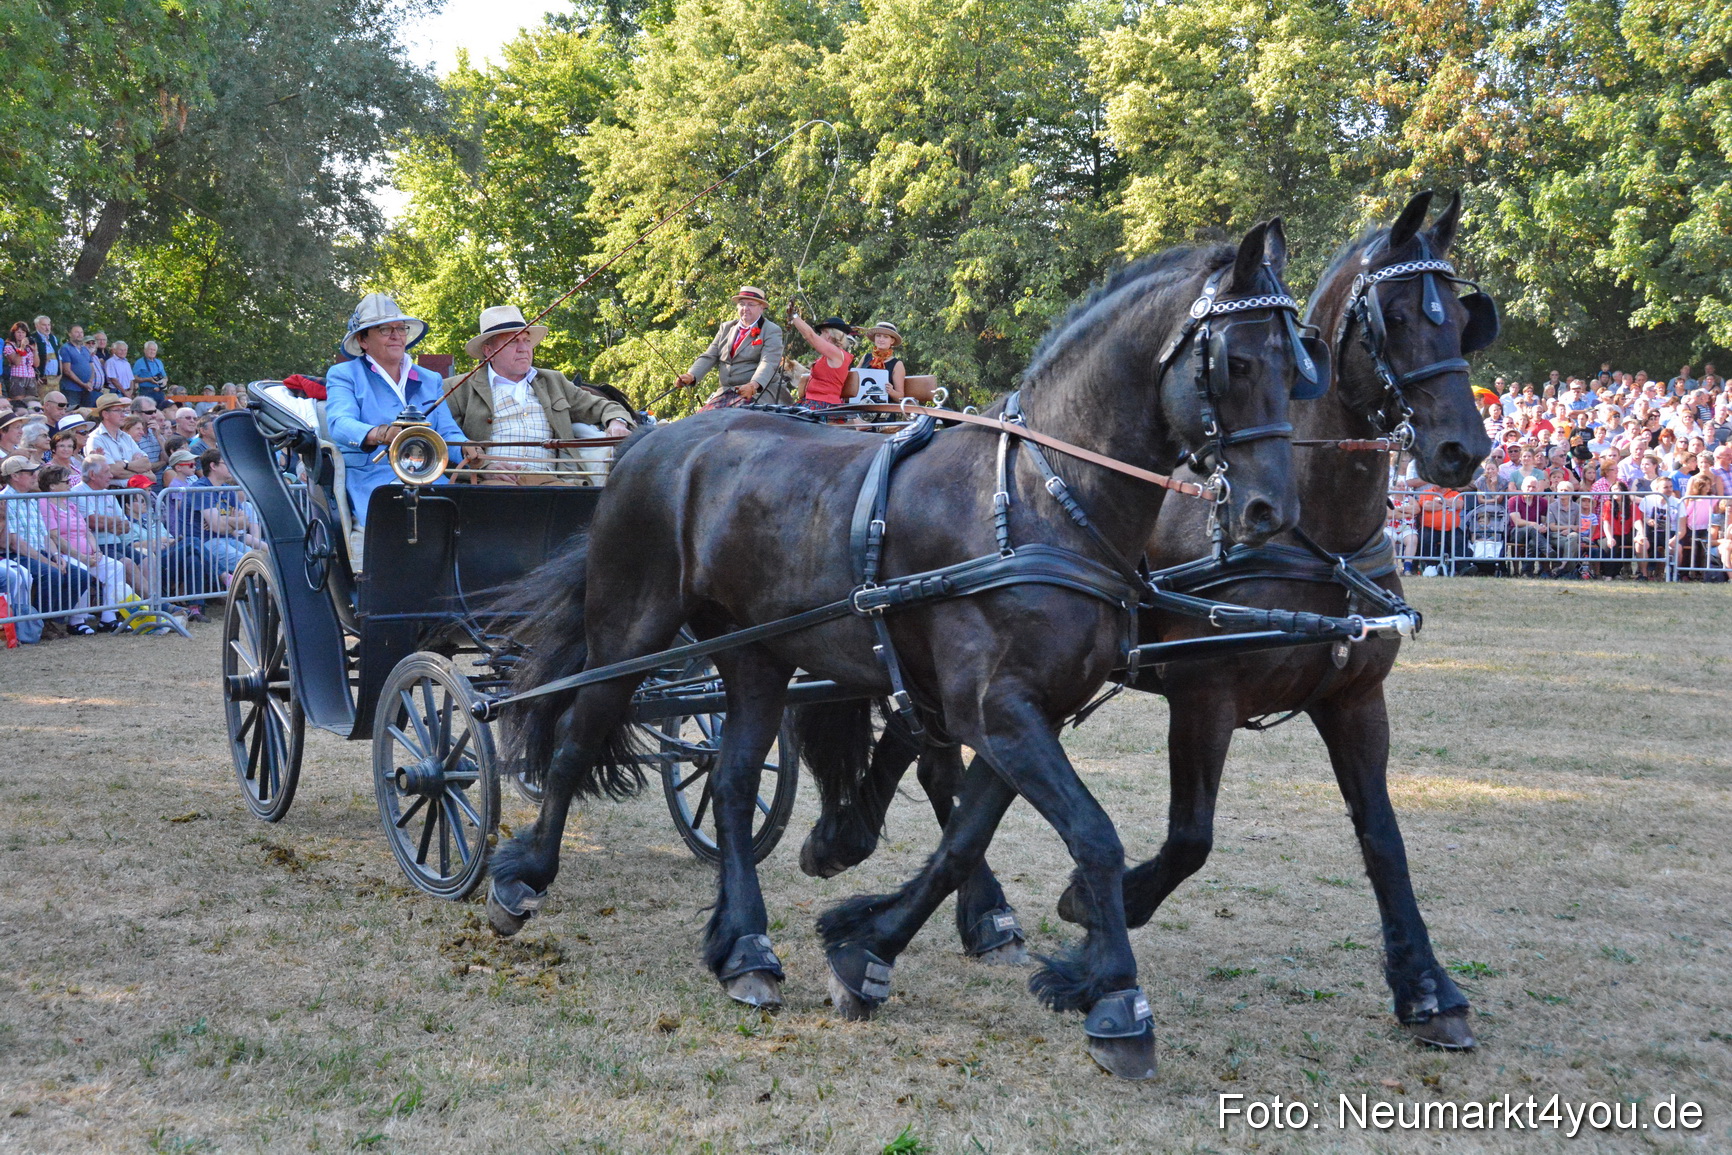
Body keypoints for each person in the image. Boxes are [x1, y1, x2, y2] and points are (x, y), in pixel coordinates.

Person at [323, 293, 467, 565]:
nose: (396, 336)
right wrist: (382, 434)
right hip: (373, 480)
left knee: (464, 512)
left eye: (401, 329)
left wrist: (471, 450)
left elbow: (448, 433)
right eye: (385, 329)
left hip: (430, 478)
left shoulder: (430, 378)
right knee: (399, 514)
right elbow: (340, 423)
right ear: (363, 340)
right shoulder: (344, 375)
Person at [443, 305, 633, 485]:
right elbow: (440, 442)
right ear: (489, 351)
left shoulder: (553, 381)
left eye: (526, 340)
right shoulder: (457, 388)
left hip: (553, 483)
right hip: (492, 484)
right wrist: (484, 467)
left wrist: (617, 421)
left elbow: (604, 407)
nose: (523, 348)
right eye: (512, 342)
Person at [1, 455, 93, 633]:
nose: (36, 475)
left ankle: (50, 620)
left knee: (80, 576)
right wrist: (49, 562)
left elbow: (44, 535)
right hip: (17, 555)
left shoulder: (31, 499)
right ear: (15, 476)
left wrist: (56, 556)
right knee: (51, 574)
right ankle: (40, 622)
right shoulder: (4, 501)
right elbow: (14, 544)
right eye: (30, 472)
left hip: (36, 553)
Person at [38, 463, 134, 630]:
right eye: (66, 482)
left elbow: (87, 532)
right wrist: (81, 556)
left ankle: (108, 617)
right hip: (65, 554)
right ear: (52, 485)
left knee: (116, 567)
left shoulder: (70, 504)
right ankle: (77, 621)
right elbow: (54, 535)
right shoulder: (45, 503)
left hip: (88, 553)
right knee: (81, 570)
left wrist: (96, 551)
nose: (70, 484)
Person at [679, 286, 786, 409]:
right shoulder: (726, 328)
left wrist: (753, 385)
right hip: (726, 392)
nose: (745, 309)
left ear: (761, 308)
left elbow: (768, 363)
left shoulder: (771, 330)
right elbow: (709, 356)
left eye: (750, 304)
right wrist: (691, 375)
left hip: (759, 392)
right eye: (741, 304)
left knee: (739, 417)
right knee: (702, 420)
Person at [787, 311, 854, 416]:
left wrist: (794, 317)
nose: (820, 336)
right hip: (811, 403)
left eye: (821, 333)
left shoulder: (836, 353)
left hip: (823, 406)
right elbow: (809, 337)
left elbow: (810, 336)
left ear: (828, 334)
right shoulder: (829, 354)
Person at [87, 394, 152, 480]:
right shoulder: (96, 439)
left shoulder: (126, 437)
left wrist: (125, 465)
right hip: (113, 492)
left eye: (123, 411)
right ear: (105, 414)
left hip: (133, 491)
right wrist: (142, 474)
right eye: (118, 411)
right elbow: (112, 471)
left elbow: (147, 463)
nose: (123, 415)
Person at [853, 321, 908, 404]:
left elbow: (900, 397)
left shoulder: (897, 364)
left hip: (884, 411)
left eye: (885, 337)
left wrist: (891, 391)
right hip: (861, 407)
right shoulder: (866, 357)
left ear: (892, 341)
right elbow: (852, 380)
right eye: (878, 336)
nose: (881, 339)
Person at [57, 326, 95, 409]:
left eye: (81, 332)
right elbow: (67, 370)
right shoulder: (65, 348)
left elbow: (91, 367)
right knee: (73, 412)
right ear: (70, 334)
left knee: (87, 413)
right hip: (71, 389)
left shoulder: (85, 349)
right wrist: (83, 384)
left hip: (86, 389)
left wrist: (90, 382)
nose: (79, 334)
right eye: (76, 332)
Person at [5, 322, 38, 400]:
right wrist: (22, 347)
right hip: (17, 377)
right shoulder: (10, 345)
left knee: (32, 403)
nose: (21, 335)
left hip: (30, 377)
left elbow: (36, 364)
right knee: (19, 403)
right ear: (14, 333)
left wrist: (35, 350)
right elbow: (16, 362)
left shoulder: (29, 346)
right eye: (18, 332)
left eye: (23, 332)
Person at [29, 316, 58, 396]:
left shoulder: (53, 338)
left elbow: (58, 357)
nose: (47, 328)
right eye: (44, 325)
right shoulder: (32, 338)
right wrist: (35, 375)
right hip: (41, 379)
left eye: (48, 325)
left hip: (54, 379)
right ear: (37, 326)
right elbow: (28, 359)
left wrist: (60, 373)